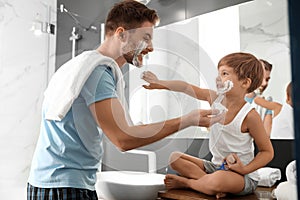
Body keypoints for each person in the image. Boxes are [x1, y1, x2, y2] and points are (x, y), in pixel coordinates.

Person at [27, 1, 224, 200]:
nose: (151, 48)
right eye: (146, 38)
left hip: (51, 181)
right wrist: (187, 120)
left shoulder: (80, 66)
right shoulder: (98, 72)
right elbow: (123, 139)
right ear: (121, 34)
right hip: (65, 187)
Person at [142, 52, 274, 198]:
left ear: (245, 83)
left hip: (242, 176)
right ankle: (209, 185)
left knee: (219, 179)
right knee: (174, 158)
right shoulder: (214, 98)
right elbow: (186, 87)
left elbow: (267, 152)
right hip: (216, 167)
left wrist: (244, 169)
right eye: (219, 73)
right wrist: (161, 84)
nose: (218, 78)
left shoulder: (250, 115)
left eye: (225, 73)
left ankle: (189, 183)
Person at [245, 59, 273, 134]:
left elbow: (266, 136)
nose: (264, 83)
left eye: (267, 79)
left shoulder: (267, 102)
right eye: (260, 78)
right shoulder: (232, 100)